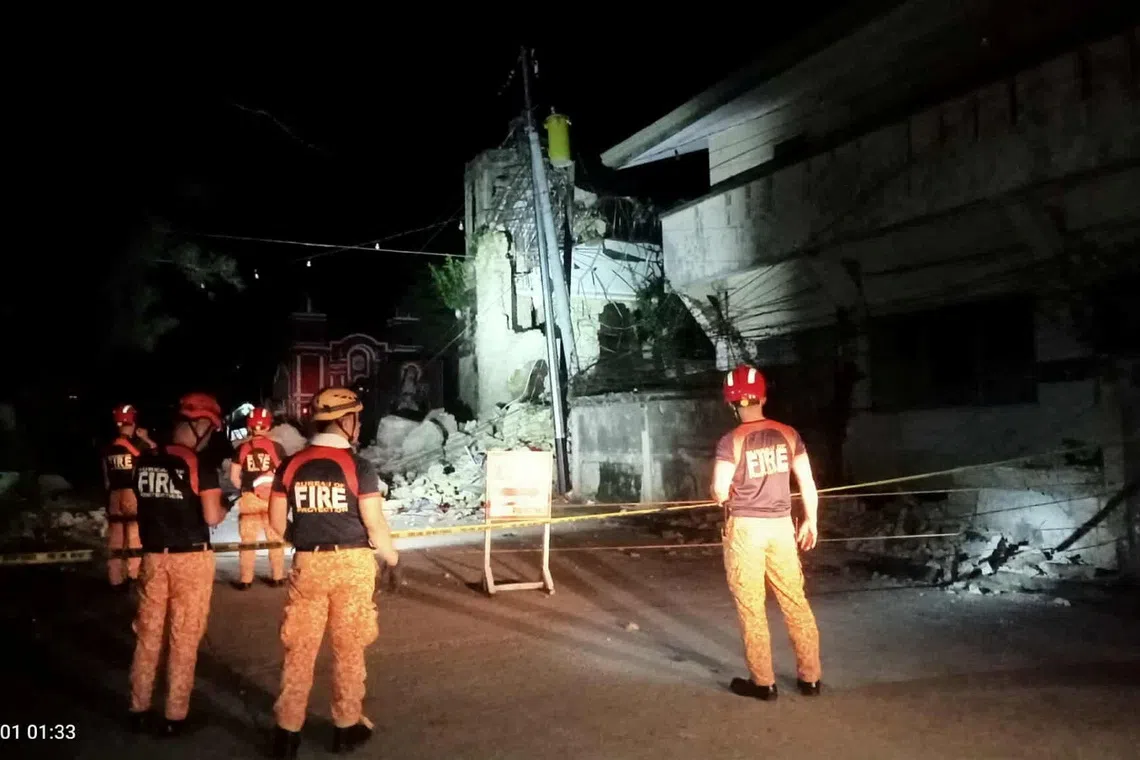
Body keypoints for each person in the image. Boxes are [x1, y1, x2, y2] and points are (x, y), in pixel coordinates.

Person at [269, 387, 398, 758]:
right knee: (349, 648)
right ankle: (345, 726)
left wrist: (303, 538)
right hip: (352, 565)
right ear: (346, 420)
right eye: (357, 418)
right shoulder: (359, 467)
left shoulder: (291, 465)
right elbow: (374, 523)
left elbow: (276, 522)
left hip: (308, 564)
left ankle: (287, 732)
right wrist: (392, 559)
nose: (359, 425)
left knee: (299, 649)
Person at [712, 364, 823, 701]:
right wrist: (811, 521)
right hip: (781, 527)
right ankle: (811, 679)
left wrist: (724, 493)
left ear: (731, 403)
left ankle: (763, 683)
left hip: (746, 530)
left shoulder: (732, 441)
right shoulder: (789, 434)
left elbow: (719, 490)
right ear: (763, 397)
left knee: (751, 606)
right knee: (795, 601)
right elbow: (807, 482)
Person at [127, 392, 229, 735]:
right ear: (199, 425)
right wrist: (226, 504)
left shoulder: (144, 460)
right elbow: (212, 516)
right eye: (210, 430)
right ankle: (175, 715)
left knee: (148, 635)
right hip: (191, 558)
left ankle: (138, 708)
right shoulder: (200, 465)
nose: (210, 437)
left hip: (153, 556)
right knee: (184, 637)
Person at [229, 407, 287, 589]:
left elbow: (234, 477)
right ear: (268, 426)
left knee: (248, 541)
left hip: (249, 498)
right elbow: (283, 474)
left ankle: (246, 580)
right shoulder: (277, 447)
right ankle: (277, 576)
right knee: (275, 538)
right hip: (272, 499)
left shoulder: (242, 448)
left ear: (249, 427)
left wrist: (246, 489)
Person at [102, 404, 157, 589]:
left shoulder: (109, 447)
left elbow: (106, 477)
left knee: (116, 538)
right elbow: (156, 453)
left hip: (114, 494)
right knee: (134, 534)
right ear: (133, 423)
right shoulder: (137, 446)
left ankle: (115, 579)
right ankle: (134, 575)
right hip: (131, 493)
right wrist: (145, 438)